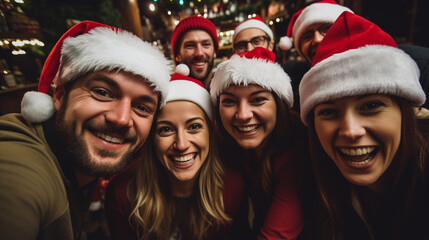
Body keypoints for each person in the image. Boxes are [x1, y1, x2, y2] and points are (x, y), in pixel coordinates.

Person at [0, 21, 172, 239]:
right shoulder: (20, 167)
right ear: (60, 95)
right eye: (102, 92)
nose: (121, 119)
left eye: (141, 107)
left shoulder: (78, 171)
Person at [299, 12, 429, 240]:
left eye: (371, 106)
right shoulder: (312, 187)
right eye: (329, 112)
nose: (350, 131)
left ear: (404, 111)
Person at [105, 65, 249, 240]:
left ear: (210, 133)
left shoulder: (234, 186)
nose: (181, 144)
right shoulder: (122, 192)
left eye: (194, 127)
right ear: (151, 138)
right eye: (166, 129)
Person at [210, 47, 307, 239]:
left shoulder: (298, 149)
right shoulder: (221, 138)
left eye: (258, 100)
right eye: (229, 102)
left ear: (279, 104)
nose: (243, 115)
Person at [170, 15, 219, 87]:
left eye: (206, 44)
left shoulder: (229, 88)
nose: (199, 53)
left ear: (214, 52)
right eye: (190, 46)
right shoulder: (166, 93)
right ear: (178, 56)